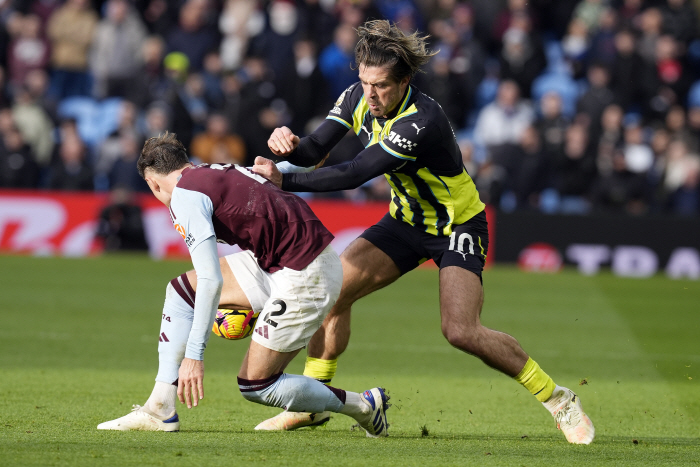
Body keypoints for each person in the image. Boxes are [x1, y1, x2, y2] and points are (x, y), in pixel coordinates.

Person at [251, 20, 595, 444]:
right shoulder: (357, 96)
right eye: (364, 82)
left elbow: (356, 172)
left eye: (380, 86)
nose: (370, 94)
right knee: (331, 292)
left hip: (457, 225)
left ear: (405, 81)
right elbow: (315, 150)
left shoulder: (421, 121)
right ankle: (312, 405)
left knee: (460, 330)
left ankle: (558, 399)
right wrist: (287, 144)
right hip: (404, 221)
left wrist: (284, 180)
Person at [97, 133, 390, 437]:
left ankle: (364, 405)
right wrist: (303, 158)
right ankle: (160, 408)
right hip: (278, 260)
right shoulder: (213, 169)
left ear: (153, 184)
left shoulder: (183, 197)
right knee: (182, 291)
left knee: (255, 385)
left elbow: (211, 279)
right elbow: (274, 173)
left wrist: (194, 357)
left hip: (306, 273)